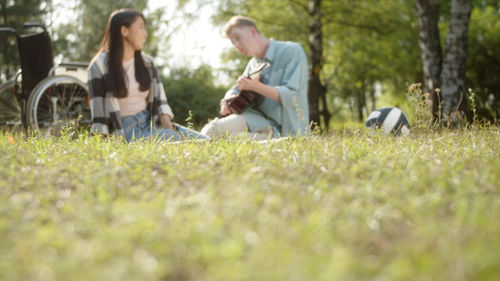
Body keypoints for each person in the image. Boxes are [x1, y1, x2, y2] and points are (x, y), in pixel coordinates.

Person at [87, 9, 207, 142]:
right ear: (124, 31)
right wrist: (100, 144)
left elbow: (160, 103)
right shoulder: (99, 66)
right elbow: (99, 117)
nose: (145, 34)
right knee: (172, 138)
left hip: (150, 123)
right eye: (141, 27)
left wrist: (169, 129)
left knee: (206, 141)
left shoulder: (147, 63)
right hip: (124, 130)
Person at [201, 16, 309, 139]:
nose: (236, 45)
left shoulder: (292, 51)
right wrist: (227, 100)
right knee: (211, 131)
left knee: (233, 140)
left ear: (252, 31)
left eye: (237, 38)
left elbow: (292, 97)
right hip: (256, 120)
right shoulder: (253, 64)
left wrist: (256, 87)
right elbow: (236, 90)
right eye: (233, 42)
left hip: (286, 131)